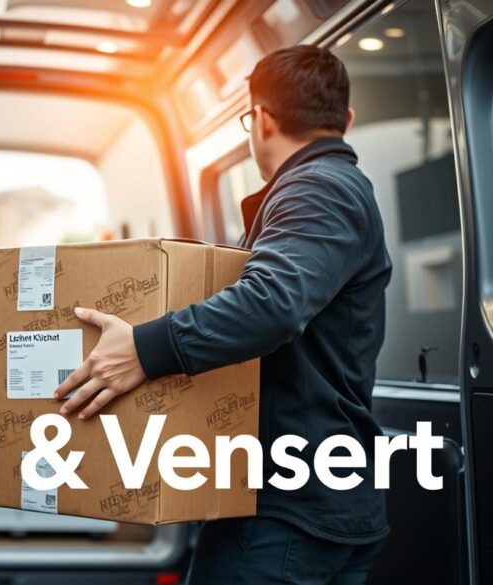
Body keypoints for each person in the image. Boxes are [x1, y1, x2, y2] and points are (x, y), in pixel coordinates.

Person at [54, 45, 391, 584]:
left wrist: (145, 349)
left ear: (259, 119)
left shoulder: (318, 189)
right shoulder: (329, 188)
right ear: (344, 120)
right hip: (313, 499)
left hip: (290, 509)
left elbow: (271, 303)